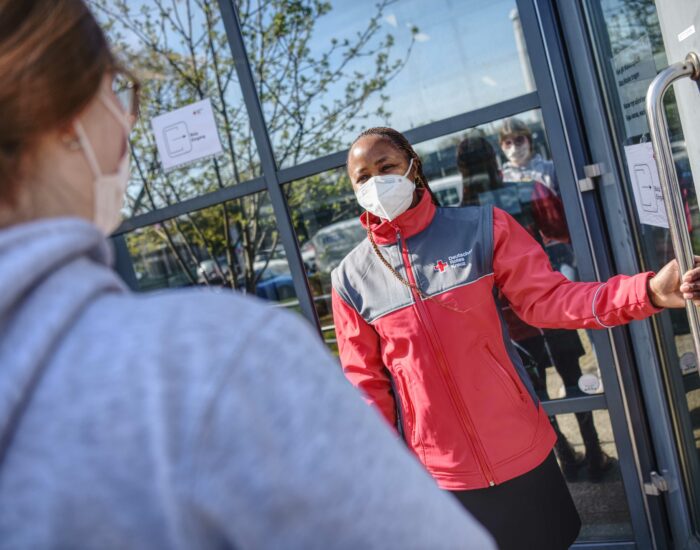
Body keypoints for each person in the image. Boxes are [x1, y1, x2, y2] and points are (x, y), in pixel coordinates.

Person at [0, 2, 498, 548]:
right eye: (118, 89)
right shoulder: (215, 359)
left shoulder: (478, 228)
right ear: (67, 116)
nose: (127, 117)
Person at [331, 126, 700, 550]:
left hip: (521, 450)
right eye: (363, 177)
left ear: (413, 168)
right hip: (440, 475)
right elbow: (366, 389)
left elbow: (552, 300)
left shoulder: (482, 228)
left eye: (386, 167)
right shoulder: (350, 279)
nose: (376, 182)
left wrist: (648, 291)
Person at [456, 130, 613, 482]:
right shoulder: (520, 192)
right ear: (495, 160)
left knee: (536, 390)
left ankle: (566, 457)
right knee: (572, 376)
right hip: (544, 304)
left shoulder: (461, 216)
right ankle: (593, 452)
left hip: (506, 319)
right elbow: (557, 228)